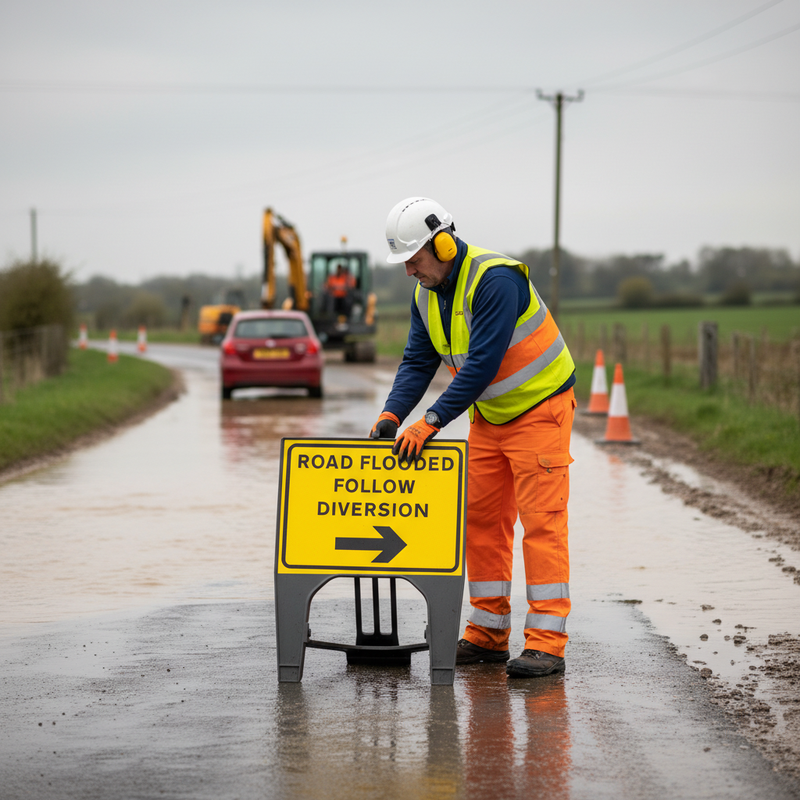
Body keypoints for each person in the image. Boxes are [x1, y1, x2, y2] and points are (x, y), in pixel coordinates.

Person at [369, 197, 576, 678]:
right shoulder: (426, 293)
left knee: (541, 525)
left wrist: (432, 421)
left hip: (540, 409)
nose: (409, 272)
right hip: (492, 417)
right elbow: (418, 361)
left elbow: (481, 362)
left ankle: (547, 644)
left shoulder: (495, 279)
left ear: (442, 244)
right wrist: (392, 414)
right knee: (481, 521)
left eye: (414, 261)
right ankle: (487, 635)